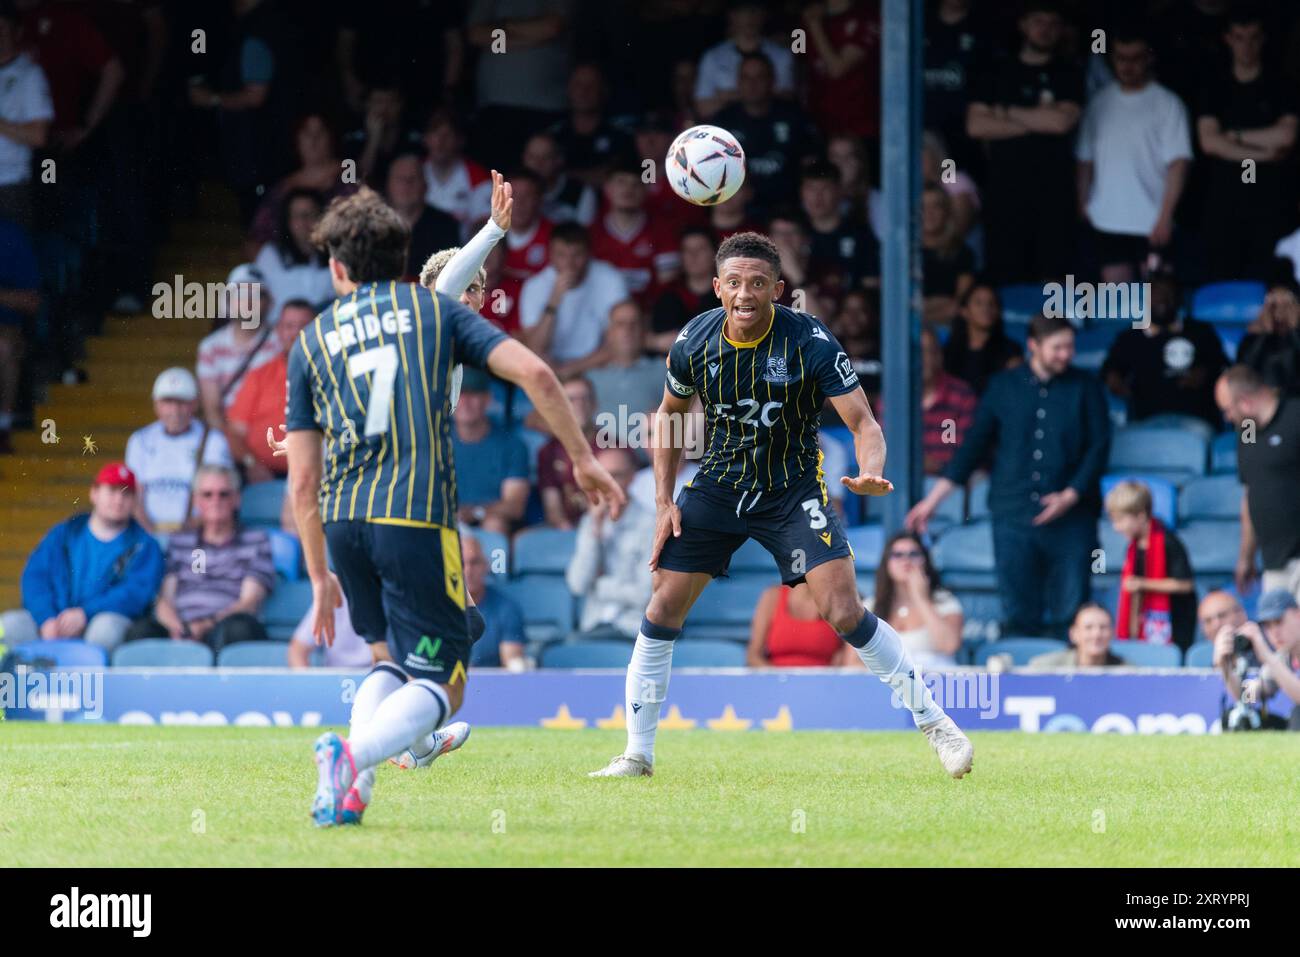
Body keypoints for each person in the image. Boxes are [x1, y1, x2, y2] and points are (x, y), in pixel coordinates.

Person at [280, 187, 623, 826]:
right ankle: (357, 758)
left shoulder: (312, 340)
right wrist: (581, 457)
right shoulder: (430, 314)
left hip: (343, 519)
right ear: (406, 261)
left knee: (388, 659)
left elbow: (301, 481)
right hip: (412, 511)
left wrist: (318, 572)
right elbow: (541, 377)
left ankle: (354, 786)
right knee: (447, 677)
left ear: (335, 268)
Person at [589, 231, 973, 781]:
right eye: (736, 283)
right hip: (719, 485)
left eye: (759, 283)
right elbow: (668, 418)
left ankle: (937, 725)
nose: (746, 294)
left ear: (778, 288)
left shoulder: (810, 341)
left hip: (792, 489)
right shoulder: (694, 341)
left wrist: (870, 471)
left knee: (843, 611)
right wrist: (662, 501)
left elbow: (863, 422)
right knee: (661, 607)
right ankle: (637, 754)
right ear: (718, 287)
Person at [908, 315, 1111, 640]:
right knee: (1018, 612)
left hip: (1073, 517)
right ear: (1033, 346)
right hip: (1012, 515)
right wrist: (933, 501)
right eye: (1057, 347)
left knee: (1070, 613)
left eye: (1070, 347)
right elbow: (972, 447)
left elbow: (1099, 447)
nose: (1066, 354)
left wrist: (1070, 494)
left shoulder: (1086, 386)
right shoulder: (1002, 386)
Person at [966, 0, 1081, 284]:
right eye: (1038, 21)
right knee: (1005, 276)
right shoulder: (996, 69)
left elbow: (1060, 122)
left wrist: (1005, 112)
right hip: (1005, 192)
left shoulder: (1068, 71)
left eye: (1053, 23)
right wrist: (1039, 118)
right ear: (1023, 25)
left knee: (1054, 280)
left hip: (1054, 194)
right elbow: (976, 125)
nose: (1046, 30)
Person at [1, 463, 163, 654]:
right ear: (94, 493)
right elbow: (35, 576)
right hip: (53, 620)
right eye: (112, 491)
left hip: (100, 621)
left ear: (135, 500)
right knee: (7, 626)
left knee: (105, 631)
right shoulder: (65, 532)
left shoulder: (144, 544)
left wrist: (85, 614)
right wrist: (46, 618)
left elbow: (135, 594)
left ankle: (98, 685)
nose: (119, 500)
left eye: (126, 494)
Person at [1074, 26, 1191, 283]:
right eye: (1121, 58)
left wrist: (1165, 217)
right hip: (1106, 221)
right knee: (1117, 304)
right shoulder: (1098, 103)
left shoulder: (1168, 103)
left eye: (1135, 58)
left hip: (1151, 222)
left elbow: (1179, 164)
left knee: (1157, 300)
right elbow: (1085, 160)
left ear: (1149, 58)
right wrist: (1083, 202)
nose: (1128, 66)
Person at [124, 466, 275, 652]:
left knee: (238, 630)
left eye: (224, 494)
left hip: (225, 626)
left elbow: (249, 602)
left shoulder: (256, 541)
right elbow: (166, 598)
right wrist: (178, 628)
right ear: (196, 500)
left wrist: (205, 625)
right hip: (182, 626)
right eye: (207, 494)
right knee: (140, 633)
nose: (216, 501)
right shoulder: (179, 541)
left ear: (237, 499)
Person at [1196, 6, 1299, 281]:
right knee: (1223, 283)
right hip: (1224, 204)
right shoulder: (1214, 85)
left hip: (1270, 204)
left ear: (1263, 39)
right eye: (1239, 37)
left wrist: (1235, 136)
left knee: (1268, 285)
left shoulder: (1281, 84)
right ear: (1228, 39)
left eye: (1253, 37)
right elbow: (1209, 142)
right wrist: (1264, 152)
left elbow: (1287, 135)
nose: (1247, 46)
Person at [1100, 269, 1227, 430]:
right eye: (1155, 293)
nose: (1162, 298)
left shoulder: (1201, 332)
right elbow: (1110, 368)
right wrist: (1114, 378)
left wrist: (1206, 373)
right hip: (1147, 419)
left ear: (1180, 299)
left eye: (1168, 292)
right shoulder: (1130, 337)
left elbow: (1222, 366)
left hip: (1195, 419)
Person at [1215, 364, 1300, 601]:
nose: (1227, 417)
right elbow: (1251, 492)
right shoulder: (1247, 431)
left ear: (1245, 402)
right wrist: (1246, 556)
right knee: (1278, 634)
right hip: (1274, 560)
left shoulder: (1294, 417)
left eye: (1228, 409)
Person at [712, 52, 821, 214]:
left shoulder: (794, 116)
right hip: (739, 212)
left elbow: (812, 166)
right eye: (746, 77)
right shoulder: (722, 121)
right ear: (738, 82)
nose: (752, 84)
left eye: (759, 77)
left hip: (788, 210)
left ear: (772, 80)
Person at [126, 367, 233, 533]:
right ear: (156, 405)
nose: (174, 411)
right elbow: (134, 497)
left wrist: (188, 535)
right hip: (149, 533)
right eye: (168, 402)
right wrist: (152, 535)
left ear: (195, 404)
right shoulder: (140, 440)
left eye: (182, 403)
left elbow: (218, 495)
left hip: (197, 534)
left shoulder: (212, 439)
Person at [565, 448, 655, 640]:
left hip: (635, 628)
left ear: (632, 477)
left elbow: (644, 595)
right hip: (593, 625)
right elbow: (578, 585)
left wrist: (598, 585)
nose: (607, 484)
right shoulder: (590, 522)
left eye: (615, 476)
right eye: (601, 476)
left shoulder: (651, 524)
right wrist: (595, 530)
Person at [226, 300, 316, 483]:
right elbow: (234, 432)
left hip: (316, 476)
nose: (296, 333)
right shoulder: (259, 376)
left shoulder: (332, 373)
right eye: (289, 326)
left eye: (304, 326)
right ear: (278, 331)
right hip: (265, 477)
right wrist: (251, 464)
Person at [518, 222, 629, 371]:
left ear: (589, 254)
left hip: (598, 366)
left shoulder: (609, 278)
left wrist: (570, 370)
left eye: (577, 255)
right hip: (550, 369)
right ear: (550, 255)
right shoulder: (534, 286)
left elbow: (620, 341)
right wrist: (554, 300)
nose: (569, 263)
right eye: (561, 255)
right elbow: (535, 347)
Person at [1105, 480, 1196, 651]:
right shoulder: (1133, 548)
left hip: (1175, 622)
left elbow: (1185, 584)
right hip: (1144, 624)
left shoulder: (1169, 542)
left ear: (1141, 515)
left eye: (1120, 520)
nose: (1116, 528)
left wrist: (1143, 583)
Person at [859, 532, 963, 670]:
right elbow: (852, 662)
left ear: (925, 560)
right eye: (897, 555)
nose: (906, 560)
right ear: (886, 563)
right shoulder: (870, 606)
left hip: (935, 683)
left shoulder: (944, 601)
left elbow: (949, 645)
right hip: (886, 686)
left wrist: (921, 598)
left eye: (914, 554)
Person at [196, 263, 281, 430]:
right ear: (227, 301)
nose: (248, 301)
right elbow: (212, 410)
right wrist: (237, 448)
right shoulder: (210, 348)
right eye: (240, 293)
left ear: (269, 302)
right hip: (227, 439)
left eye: (256, 294)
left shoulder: (280, 343)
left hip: (269, 434)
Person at [588, 159, 680, 305]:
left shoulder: (662, 231)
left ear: (646, 190)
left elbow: (667, 287)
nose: (628, 189)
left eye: (636, 183)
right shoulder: (591, 233)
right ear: (607, 188)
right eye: (621, 182)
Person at [694, 1, 796, 118]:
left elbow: (786, 101)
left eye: (755, 11)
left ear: (764, 15)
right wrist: (759, 95)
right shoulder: (712, 57)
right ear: (732, 16)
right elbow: (703, 107)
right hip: (727, 129)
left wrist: (727, 96)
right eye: (744, 12)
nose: (750, 17)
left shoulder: (782, 55)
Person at [0, 3, 52, 229]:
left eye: (1, 29)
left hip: (9, 186)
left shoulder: (29, 75)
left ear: (16, 32)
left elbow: (38, 136)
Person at [586, 300, 666, 440]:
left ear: (643, 331)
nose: (627, 330)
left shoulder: (665, 370)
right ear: (609, 333)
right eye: (620, 324)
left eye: (634, 324)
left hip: (654, 459)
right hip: (606, 458)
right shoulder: (590, 378)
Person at [252, 188, 334, 321]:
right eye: (297, 216)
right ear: (287, 221)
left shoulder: (336, 253)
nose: (304, 223)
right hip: (281, 336)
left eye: (310, 215)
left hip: (323, 334)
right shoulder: (271, 254)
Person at [546, 63, 633, 187]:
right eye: (578, 85)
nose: (584, 91)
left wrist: (564, 175)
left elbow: (618, 177)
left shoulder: (621, 135)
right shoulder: (553, 135)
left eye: (591, 85)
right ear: (569, 90)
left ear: (604, 91)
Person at [384, 151, 461, 282]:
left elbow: (451, 278)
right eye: (400, 179)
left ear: (425, 185)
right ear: (388, 184)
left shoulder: (445, 226)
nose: (406, 185)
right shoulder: (372, 225)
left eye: (412, 179)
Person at [537, 376, 599, 530]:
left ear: (595, 404)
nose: (579, 405)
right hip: (566, 532)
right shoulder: (548, 452)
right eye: (571, 400)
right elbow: (554, 511)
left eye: (585, 398)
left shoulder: (615, 448)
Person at [0, 216, 40, 453]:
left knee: (3, 347)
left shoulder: (9, 236)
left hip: (7, 328)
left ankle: (2, 429)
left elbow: (32, 302)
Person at [421, 109, 492, 241]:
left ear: (460, 140)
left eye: (447, 135)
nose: (440, 142)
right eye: (435, 134)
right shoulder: (414, 172)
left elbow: (484, 226)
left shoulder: (478, 177)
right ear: (426, 139)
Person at [1233, 589, 1300, 729]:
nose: (1274, 632)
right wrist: (1225, 667)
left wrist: (1267, 657)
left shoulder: (1275, 660)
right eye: (1268, 626)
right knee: (1240, 718)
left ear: (1298, 615)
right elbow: (1248, 697)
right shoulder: (1283, 657)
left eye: (1278, 622)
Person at [649, 226, 722, 353]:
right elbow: (659, 342)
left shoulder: (729, 296)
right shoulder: (667, 297)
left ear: (714, 254)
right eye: (687, 250)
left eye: (701, 249)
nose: (693, 256)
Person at [942, 282, 1023, 395]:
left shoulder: (1011, 351)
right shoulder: (947, 353)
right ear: (964, 311)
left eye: (992, 303)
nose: (986, 308)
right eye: (978, 303)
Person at [460, 532, 525, 670]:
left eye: (474, 562)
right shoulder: (435, 607)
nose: (468, 570)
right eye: (461, 563)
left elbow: (513, 662)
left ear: (486, 565)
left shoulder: (506, 608)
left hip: (488, 686)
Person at [747, 583, 851, 667]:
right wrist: (780, 681)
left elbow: (846, 659)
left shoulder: (839, 601)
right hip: (777, 685)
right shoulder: (772, 596)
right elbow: (754, 656)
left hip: (823, 686)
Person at [921, 185, 975, 327]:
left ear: (946, 211)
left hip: (949, 327)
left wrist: (923, 308)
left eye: (936, 206)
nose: (929, 213)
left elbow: (957, 305)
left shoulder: (962, 253)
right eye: (923, 207)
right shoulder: (904, 253)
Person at [521, 130, 596, 227]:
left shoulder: (581, 192)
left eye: (546, 157)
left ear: (559, 159)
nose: (538, 163)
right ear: (523, 158)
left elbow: (584, 236)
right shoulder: (508, 189)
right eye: (532, 157)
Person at [1236, 280, 1300, 393]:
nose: (1279, 313)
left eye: (1286, 306)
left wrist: (1295, 329)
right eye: (1273, 306)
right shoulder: (1252, 339)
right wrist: (1265, 333)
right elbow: (1244, 374)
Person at [1027, 603, 1126, 669]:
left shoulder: (1127, 672)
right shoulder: (1045, 669)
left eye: (1103, 627)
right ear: (1073, 634)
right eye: (1088, 627)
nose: (1096, 634)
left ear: (1112, 634)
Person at [288, 592, 372, 669]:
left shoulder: (383, 597)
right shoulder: (328, 597)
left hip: (375, 676)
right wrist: (307, 682)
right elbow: (297, 651)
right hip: (334, 678)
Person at [1203, 589, 1249, 703]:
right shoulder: (1209, 666)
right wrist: (1221, 665)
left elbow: (1250, 699)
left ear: (1241, 615)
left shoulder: (1261, 654)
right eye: (1208, 620)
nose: (1216, 625)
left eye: (1222, 615)